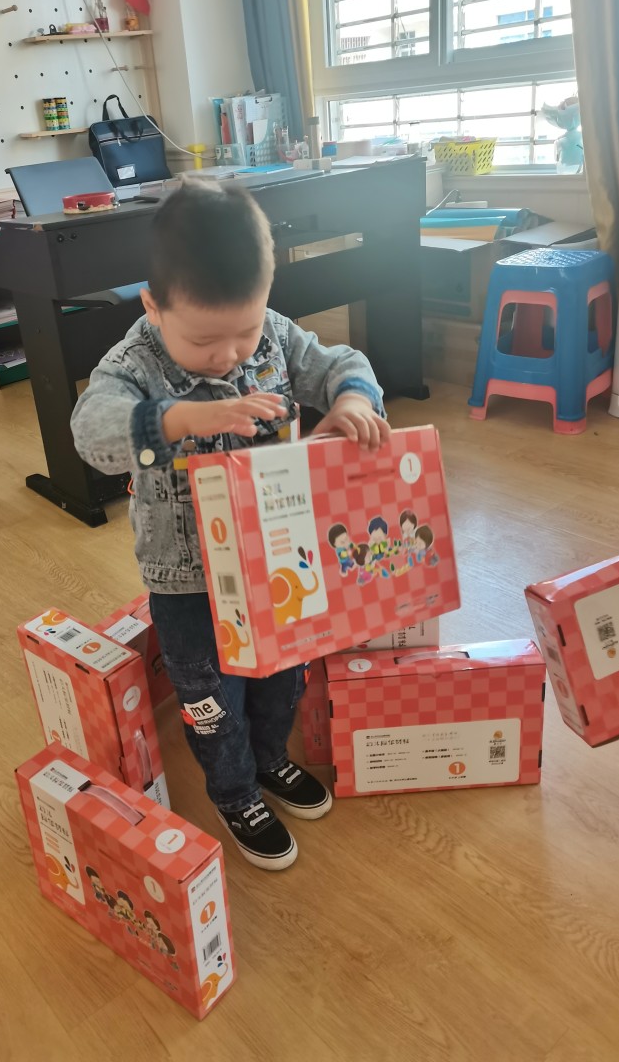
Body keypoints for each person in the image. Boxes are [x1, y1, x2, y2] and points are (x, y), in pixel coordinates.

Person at [71, 180, 390, 871]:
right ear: (153, 306)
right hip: (188, 581)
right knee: (210, 695)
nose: (230, 356)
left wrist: (353, 400)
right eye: (204, 339)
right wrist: (181, 418)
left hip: (276, 558)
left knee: (282, 673)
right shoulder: (134, 364)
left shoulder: (272, 334)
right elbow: (91, 432)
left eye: (244, 331)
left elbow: (342, 361)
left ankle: (270, 757)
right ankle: (234, 790)